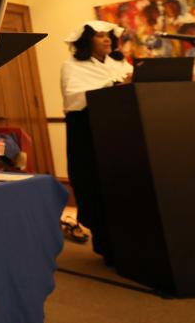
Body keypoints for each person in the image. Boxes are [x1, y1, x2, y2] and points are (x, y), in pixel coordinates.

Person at [60, 19, 132, 263]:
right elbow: (74, 99)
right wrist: (113, 85)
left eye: (109, 35)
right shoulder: (72, 66)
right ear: (86, 40)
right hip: (88, 133)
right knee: (96, 185)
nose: (107, 39)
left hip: (122, 133)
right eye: (100, 35)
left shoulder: (119, 63)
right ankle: (107, 248)